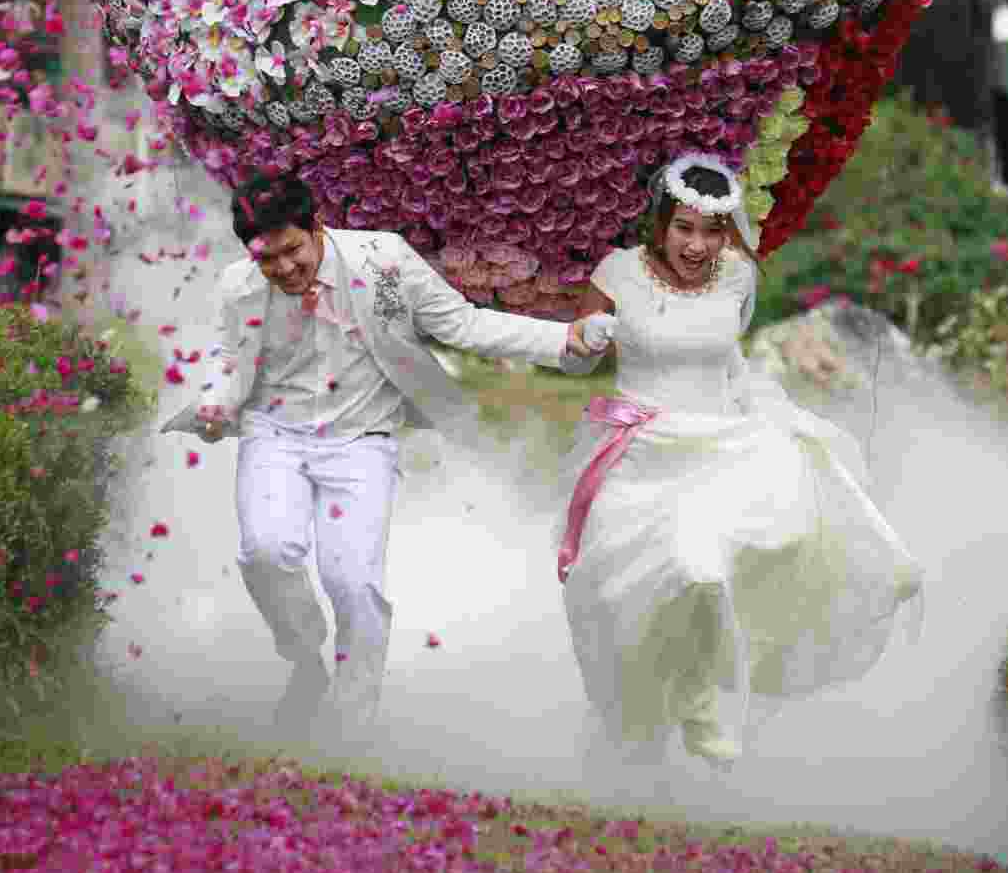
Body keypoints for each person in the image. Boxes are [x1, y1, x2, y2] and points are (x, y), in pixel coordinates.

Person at [161, 171, 591, 739]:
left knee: (354, 583)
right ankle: (303, 655)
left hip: (362, 439)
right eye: (269, 260)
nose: (287, 269)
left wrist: (562, 343)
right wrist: (215, 402)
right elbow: (227, 360)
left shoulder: (383, 260)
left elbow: (462, 323)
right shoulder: (237, 287)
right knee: (265, 551)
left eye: (293, 251)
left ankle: (350, 731)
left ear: (317, 226)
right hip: (276, 434)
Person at [557, 152, 923, 768]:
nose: (698, 245)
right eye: (685, 228)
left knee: (708, 566)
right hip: (642, 456)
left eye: (712, 230)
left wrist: (768, 409)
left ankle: (702, 702)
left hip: (720, 448)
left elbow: (727, 361)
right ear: (660, 222)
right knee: (637, 601)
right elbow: (572, 358)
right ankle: (640, 733)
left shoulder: (735, 277)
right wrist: (586, 339)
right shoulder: (618, 272)